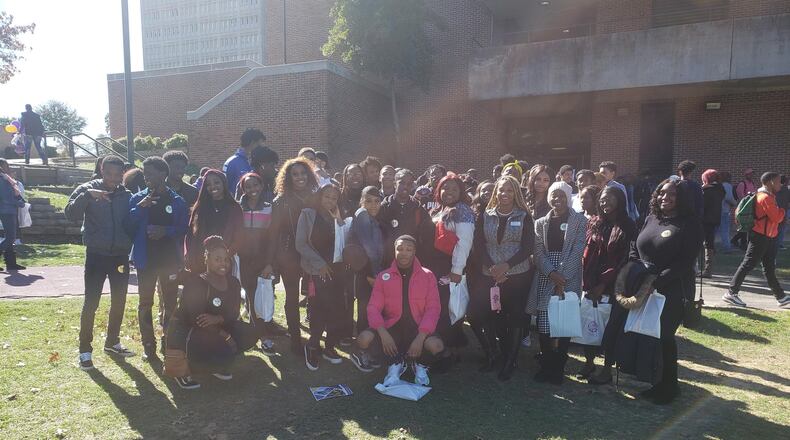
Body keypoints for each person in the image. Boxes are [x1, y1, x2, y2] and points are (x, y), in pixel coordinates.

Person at [629, 178, 702, 404]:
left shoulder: (690, 223)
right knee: (648, 334)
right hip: (644, 285)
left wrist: (655, 282)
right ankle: (654, 380)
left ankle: (669, 386)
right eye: (661, 193)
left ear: (682, 198)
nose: (665, 198)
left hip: (672, 289)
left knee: (664, 337)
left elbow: (685, 261)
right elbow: (635, 245)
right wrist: (635, 271)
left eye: (672, 194)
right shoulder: (652, 218)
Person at [64, 156, 134, 369]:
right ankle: (85, 350)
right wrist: (87, 196)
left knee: (119, 301)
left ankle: (112, 342)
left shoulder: (127, 194)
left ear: (123, 174)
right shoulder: (87, 189)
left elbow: (133, 220)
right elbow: (70, 214)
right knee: (91, 303)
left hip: (120, 256)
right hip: (96, 255)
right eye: (108, 173)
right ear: (101, 170)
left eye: (117, 174)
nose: (112, 179)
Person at [163, 236, 259, 389]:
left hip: (217, 327)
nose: (223, 264)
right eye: (218, 259)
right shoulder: (196, 283)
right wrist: (225, 335)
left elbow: (233, 313)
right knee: (220, 347)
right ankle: (186, 370)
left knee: (248, 332)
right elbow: (197, 320)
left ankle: (215, 365)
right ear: (206, 259)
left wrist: (218, 319)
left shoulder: (233, 283)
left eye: (226, 259)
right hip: (191, 332)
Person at [350, 235, 444, 387]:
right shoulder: (383, 276)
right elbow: (373, 307)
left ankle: (418, 364)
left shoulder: (427, 275)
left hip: (417, 327)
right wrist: (382, 332)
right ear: (394, 251)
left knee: (437, 346)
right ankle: (395, 363)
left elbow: (433, 308)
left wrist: (421, 337)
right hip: (391, 326)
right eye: (399, 249)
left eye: (409, 249)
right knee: (363, 339)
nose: (404, 253)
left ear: (414, 252)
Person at [470, 176, 535, 380]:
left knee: (515, 318)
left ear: (515, 193)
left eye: (509, 190)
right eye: (501, 190)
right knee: (486, 315)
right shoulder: (485, 215)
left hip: (517, 275)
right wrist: (492, 267)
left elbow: (528, 247)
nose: (504, 194)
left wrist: (506, 266)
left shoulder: (524, 215)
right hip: (489, 275)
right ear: (495, 192)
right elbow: (478, 245)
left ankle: (510, 361)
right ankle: (494, 354)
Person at [125, 157, 189, 361]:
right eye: (145, 174)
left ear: (163, 174)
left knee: (170, 304)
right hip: (146, 261)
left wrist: (165, 231)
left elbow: (184, 228)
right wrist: (140, 208)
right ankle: (148, 346)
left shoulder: (177, 201)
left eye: (150, 173)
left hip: (169, 261)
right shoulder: (137, 199)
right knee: (145, 303)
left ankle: (168, 342)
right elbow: (128, 225)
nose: (146, 177)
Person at [526, 181, 587, 385]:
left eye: (561, 196)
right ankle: (546, 365)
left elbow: (578, 249)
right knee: (544, 325)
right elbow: (538, 252)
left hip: (569, 275)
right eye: (553, 195)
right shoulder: (540, 222)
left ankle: (558, 368)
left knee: (564, 323)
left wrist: (563, 276)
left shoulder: (579, 220)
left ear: (568, 197)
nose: (557, 199)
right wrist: (552, 273)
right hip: (546, 274)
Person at [581, 186, 636, 384]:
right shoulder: (595, 222)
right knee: (590, 321)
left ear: (620, 200)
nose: (605, 203)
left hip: (615, 284)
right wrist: (589, 282)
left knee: (610, 328)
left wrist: (603, 284)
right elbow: (587, 252)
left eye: (610, 199)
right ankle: (588, 362)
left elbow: (625, 259)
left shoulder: (628, 226)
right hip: (591, 281)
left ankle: (606, 369)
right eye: (602, 200)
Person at [266, 157, 320, 353]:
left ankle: (314, 337)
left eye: (303, 173)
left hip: (312, 252)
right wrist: (271, 260)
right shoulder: (280, 201)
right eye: (295, 174)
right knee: (291, 296)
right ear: (287, 177)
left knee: (314, 295)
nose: (300, 177)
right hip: (289, 253)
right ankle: (295, 338)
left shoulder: (317, 197)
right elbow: (273, 233)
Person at [296, 183, 347, 370]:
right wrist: (320, 264)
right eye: (327, 196)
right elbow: (300, 244)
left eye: (334, 198)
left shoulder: (338, 216)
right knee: (318, 310)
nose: (330, 201)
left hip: (338, 270)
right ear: (319, 196)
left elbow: (344, 240)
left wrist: (339, 219)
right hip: (317, 271)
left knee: (336, 310)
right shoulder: (308, 214)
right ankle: (312, 346)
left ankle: (330, 346)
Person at [423, 173, 475, 358]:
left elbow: (464, 242)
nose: (449, 192)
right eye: (445, 188)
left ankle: (447, 346)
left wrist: (456, 270)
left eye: (454, 189)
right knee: (437, 305)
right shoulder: (439, 209)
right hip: (434, 267)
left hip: (449, 267)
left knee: (447, 306)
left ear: (461, 192)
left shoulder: (462, 210)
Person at [724, 172, 789, 308]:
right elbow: (777, 217)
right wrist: (782, 211)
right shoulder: (765, 197)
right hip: (760, 236)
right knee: (748, 264)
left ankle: (781, 297)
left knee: (769, 268)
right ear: (770, 182)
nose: (780, 184)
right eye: (778, 182)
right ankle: (731, 293)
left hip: (768, 236)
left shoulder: (768, 196)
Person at [236, 172, 276, 356]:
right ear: (243, 189)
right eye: (248, 186)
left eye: (256, 185)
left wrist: (269, 263)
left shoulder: (269, 208)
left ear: (261, 186)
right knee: (251, 296)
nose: (253, 189)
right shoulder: (237, 208)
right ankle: (262, 335)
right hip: (243, 260)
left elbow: (272, 239)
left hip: (262, 260)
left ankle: (263, 329)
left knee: (263, 296)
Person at [185, 170, 243, 273]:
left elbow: (239, 236)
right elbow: (190, 234)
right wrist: (188, 254)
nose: (213, 186)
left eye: (216, 182)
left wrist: (225, 256)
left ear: (223, 183)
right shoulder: (200, 207)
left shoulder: (234, 207)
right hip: (200, 260)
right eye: (208, 184)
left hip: (223, 261)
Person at [348, 186, 386, 337]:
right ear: (361, 201)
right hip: (366, 273)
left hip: (372, 271)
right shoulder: (362, 215)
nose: (373, 205)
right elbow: (368, 247)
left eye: (377, 201)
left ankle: (369, 341)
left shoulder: (372, 218)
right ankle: (362, 346)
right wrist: (372, 274)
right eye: (368, 201)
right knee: (365, 310)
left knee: (372, 309)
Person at [379, 168, 434, 268]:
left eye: (409, 184)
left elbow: (427, 238)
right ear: (395, 184)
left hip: (413, 263)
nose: (405, 186)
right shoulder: (383, 208)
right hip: (389, 263)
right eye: (402, 183)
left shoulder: (419, 209)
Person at [223, 128, 266, 196]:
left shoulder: (257, 162)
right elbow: (225, 189)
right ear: (252, 143)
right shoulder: (231, 163)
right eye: (259, 145)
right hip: (237, 205)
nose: (261, 149)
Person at [0, 159, 24, 272]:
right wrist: (20, 203)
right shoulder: (3, 180)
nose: (8, 167)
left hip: (7, 210)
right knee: (11, 237)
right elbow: (7, 198)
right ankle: (10, 263)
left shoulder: (5, 179)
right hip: (7, 211)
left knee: (9, 237)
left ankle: (11, 263)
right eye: (6, 165)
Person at [700, 169, 725, 277]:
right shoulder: (720, 190)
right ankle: (708, 268)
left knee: (702, 243)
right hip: (715, 219)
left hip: (704, 219)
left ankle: (705, 269)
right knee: (710, 243)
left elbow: (702, 206)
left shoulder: (706, 190)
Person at [718, 171, 737, 253]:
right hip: (724, 210)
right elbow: (728, 197)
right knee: (725, 229)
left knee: (715, 230)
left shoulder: (718, 185)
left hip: (717, 210)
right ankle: (726, 247)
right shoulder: (727, 185)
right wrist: (735, 203)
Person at [775, 175, 789, 249]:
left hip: (776, 210)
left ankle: (775, 243)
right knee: (781, 228)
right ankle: (779, 244)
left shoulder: (775, 188)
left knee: (776, 227)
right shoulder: (785, 189)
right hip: (783, 211)